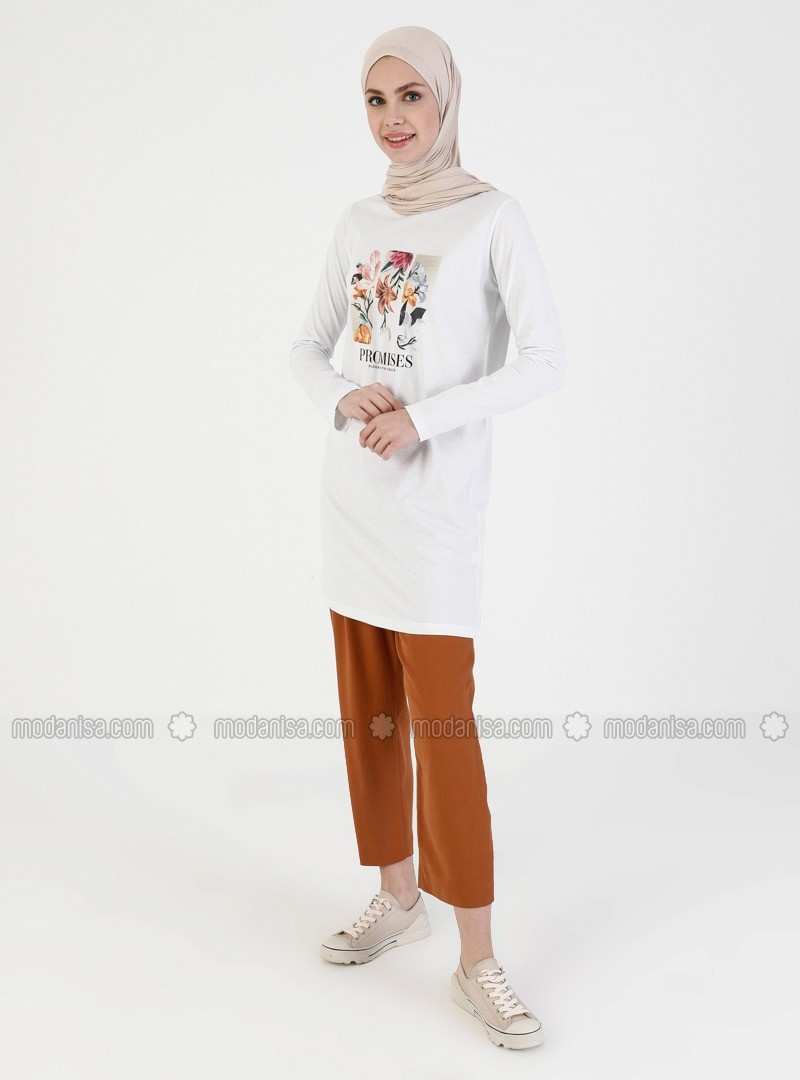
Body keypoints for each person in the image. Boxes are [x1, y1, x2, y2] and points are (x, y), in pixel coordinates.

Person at [289, 25, 566, 1050]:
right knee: (368, 717)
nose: (393, 119)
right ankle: (397, 895)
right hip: (353, 507)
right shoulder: (359, 221)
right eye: (375, 100)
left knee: (444, 731)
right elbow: (306, 346)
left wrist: (426, 418)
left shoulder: (492, 217)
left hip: (436, 517)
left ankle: (476, 957)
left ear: (447, 100)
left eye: (411, 96)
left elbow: (543, 360)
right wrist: (341, 396)